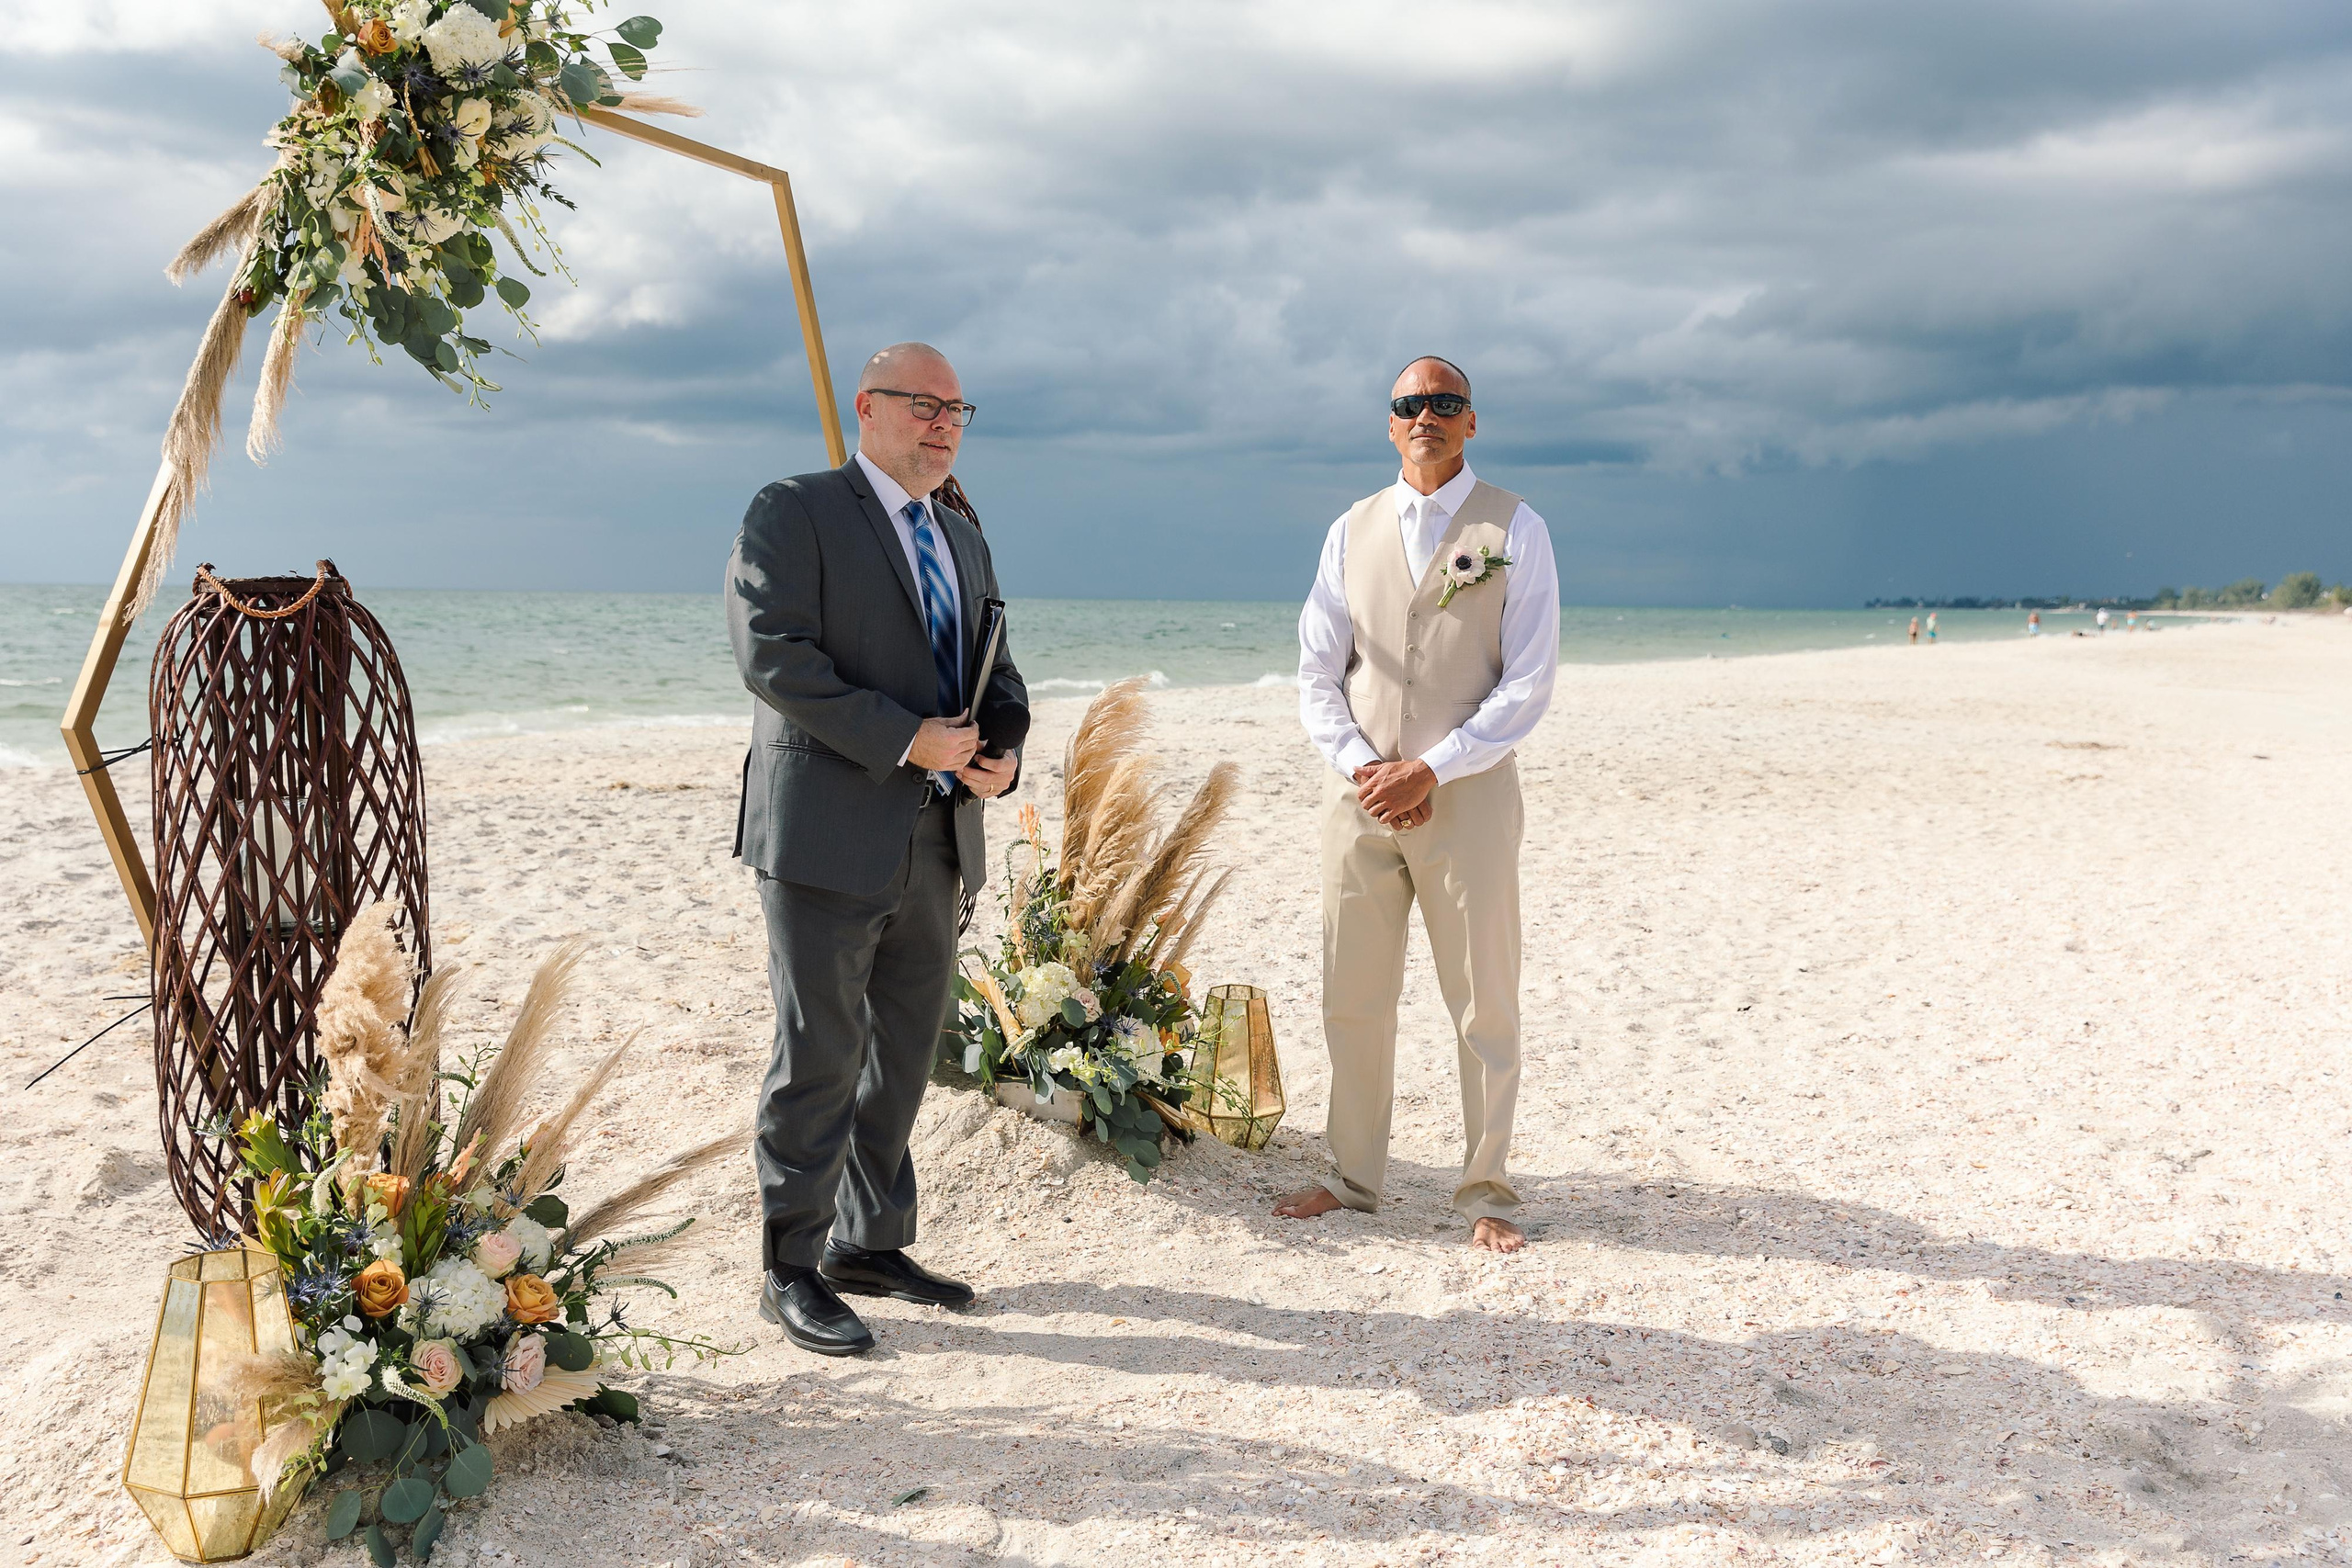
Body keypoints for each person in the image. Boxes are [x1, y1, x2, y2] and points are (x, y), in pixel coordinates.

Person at [725, 343, 1030, 1356]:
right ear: (867, 408)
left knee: (902, 1051)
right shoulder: (795, 508)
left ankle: (869, 1244)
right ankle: (789, 1267)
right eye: (922, 404)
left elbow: (996, 671)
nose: (943, 423)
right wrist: (905, 736)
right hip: (824, 829)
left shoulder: (962, 536)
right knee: (817, 1052)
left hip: (939, 834)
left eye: (957, 410)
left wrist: (1002, 751)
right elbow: (772, 654)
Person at [1278, 356, 1560, 1255]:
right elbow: (1318, 674)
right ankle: (1351, 1174)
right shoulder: (1349, 529)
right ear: (1389, 422)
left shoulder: (1514, 527)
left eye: (1443, 403)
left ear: (1471, 422)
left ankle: (1485, 1185)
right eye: (1408, 404)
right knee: (1351, 992)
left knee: (1483, 998)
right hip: (1357, 798)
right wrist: (1367, 767)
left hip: (1468, 798)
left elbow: (1527, 682)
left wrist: (1431, 769)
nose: (1424, 415)